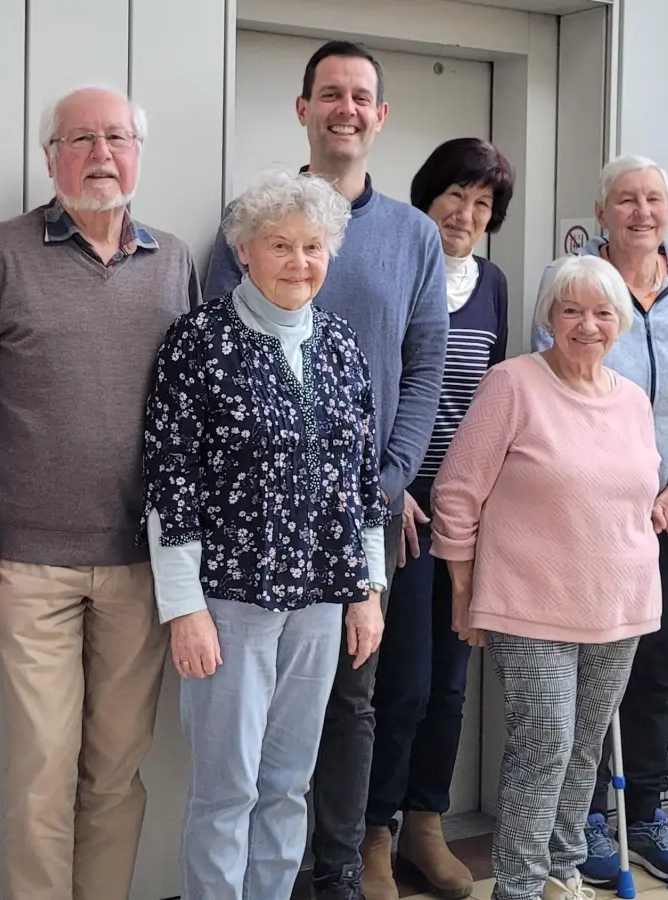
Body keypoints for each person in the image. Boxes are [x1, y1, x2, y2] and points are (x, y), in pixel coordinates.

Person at [0, 85, 200, 899]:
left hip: (139, 566)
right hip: (29, 564)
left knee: (116, 772)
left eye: (117, 137)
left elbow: (192, 411)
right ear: (51, 158)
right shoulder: (2, 254)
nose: (101, 154)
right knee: (44, 770)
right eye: (80, 139)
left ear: (139, 154)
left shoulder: (175, 260)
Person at [206, 40, 448, 900]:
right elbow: (214, 365)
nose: (346, 109)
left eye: (362, 98)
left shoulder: (415, 237)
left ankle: (343, 864)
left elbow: (425, 369)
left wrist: (388, 485)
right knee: (250, 720)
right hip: (253, 530)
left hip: (365, 514)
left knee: (356, 698)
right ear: (302, 108)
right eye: (330, 94)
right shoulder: (247, 221)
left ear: (380, 117)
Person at [143, 168, 388, 900]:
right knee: (227, 790)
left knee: (287, 785)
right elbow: (170, 483)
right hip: (230, 603)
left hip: (319, 598)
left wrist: (366, 589)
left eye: (313, 247)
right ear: (243, 250)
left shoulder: (342, 346)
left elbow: (360, 479)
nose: (298, 262)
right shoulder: (198, 342)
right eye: (280, 245)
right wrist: (183, 607)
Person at [532, 154, 668, 888]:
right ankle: (586, 817)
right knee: (592, 674)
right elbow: (549, 385)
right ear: (602, 208)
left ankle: (645, 809)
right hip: (593, 518)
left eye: (653, 199)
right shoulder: (575, 280)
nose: (641, 212)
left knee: (658, 668)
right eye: (626, 199)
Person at [432, 254, 663, 900]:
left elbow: (636, 494)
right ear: (548, 318)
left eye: (602, 312)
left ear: (620, 323)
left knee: (584, 749)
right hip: (527, 603)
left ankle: (563, 873)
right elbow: (456, 493)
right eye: (571, 311)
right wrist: (462, 590)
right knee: (544, 747)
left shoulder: (635, 402)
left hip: (620, 603)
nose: (587, 325)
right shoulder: (512, 385)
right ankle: (520, 886)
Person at [361, 136, 514, 900]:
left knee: (453, 683)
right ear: (427, 197)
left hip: (469, 507)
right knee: (404, 682)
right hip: (402, 502)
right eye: (456, 195)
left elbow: (498, 400)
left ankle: (429, 824)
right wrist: (398, 483)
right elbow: (384, 381)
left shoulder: (494, 285)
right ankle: (374, 833)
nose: (467, 213)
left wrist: (481, 499)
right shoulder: (401, 264)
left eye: (484, 204)